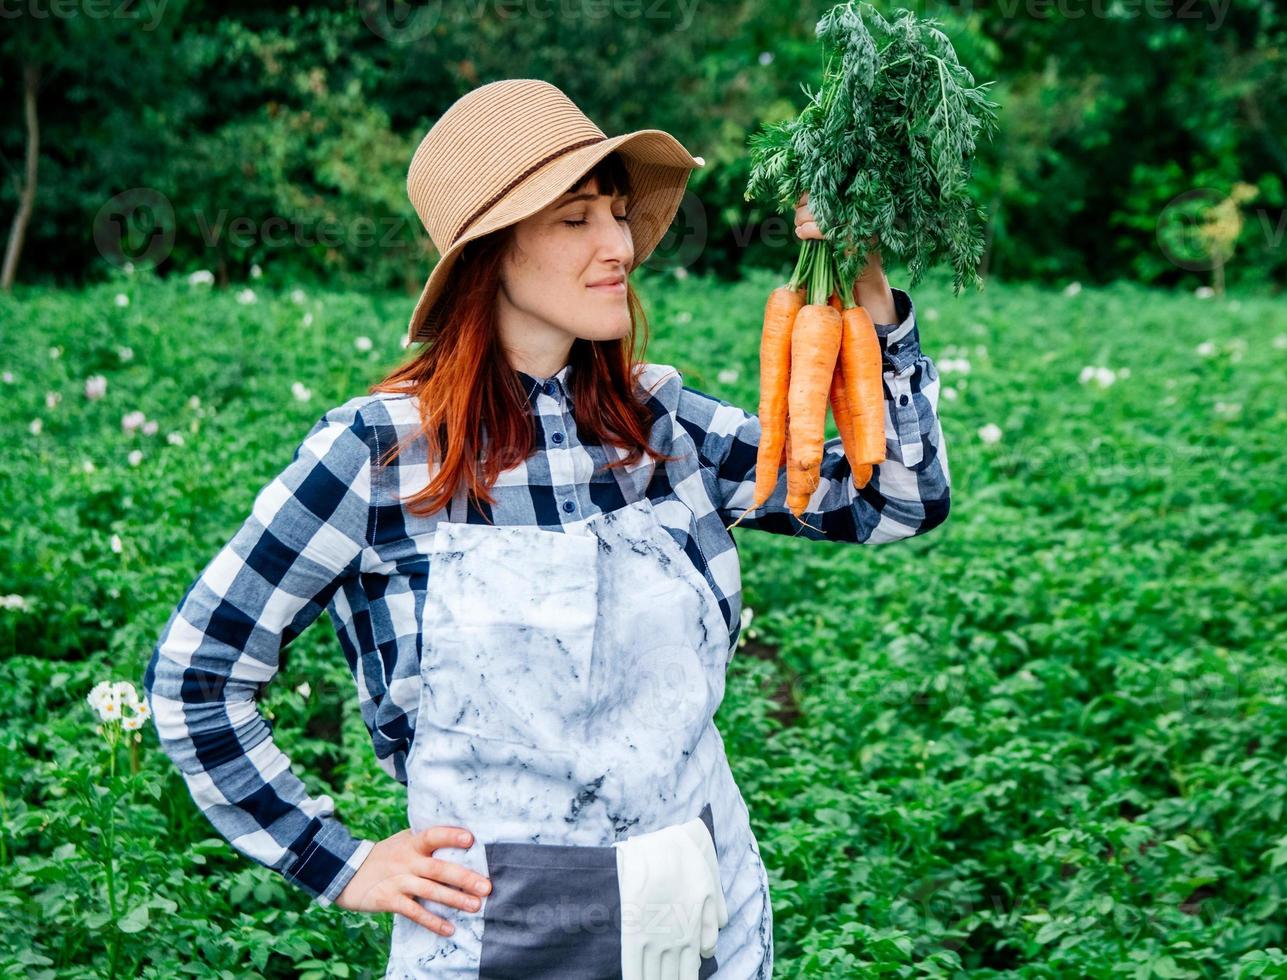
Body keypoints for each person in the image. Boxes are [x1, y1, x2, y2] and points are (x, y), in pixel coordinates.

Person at [144, 80, 951, 980]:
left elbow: (897, 499)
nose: (620, 246)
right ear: (490, 254)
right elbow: (197, 676)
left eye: (616, 212)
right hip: (493, 943)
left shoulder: (660, 424)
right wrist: (341, 862)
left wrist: (873, 308)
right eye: (576, 220)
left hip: (701, 928)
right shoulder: (377, 454)